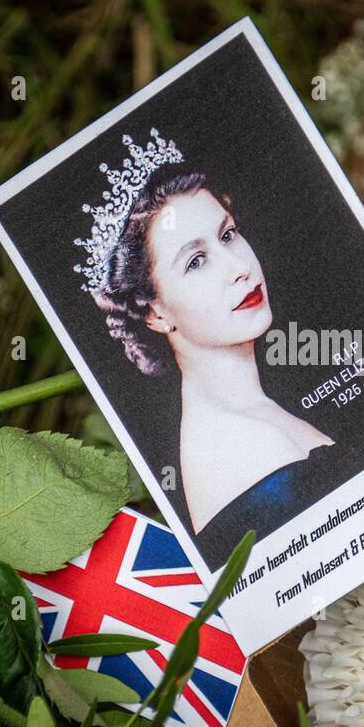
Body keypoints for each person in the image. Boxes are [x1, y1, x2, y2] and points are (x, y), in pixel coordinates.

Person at [79, 131, 333, 560]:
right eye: (195, 261)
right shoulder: (238, 446)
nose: (239, 267)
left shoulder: (246, 416)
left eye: (228, 235)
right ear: (155, 313)